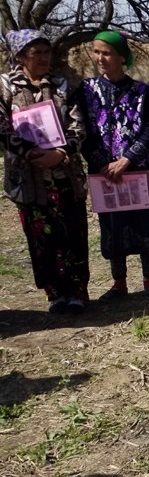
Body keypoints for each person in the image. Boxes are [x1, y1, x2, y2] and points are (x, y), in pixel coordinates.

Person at [1, 30, 89, 314]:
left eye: (46, 52)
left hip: (63, 172)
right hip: (28, 176)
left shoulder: (64, 85)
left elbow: (78, 125)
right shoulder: (4, 87)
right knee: (41, 236)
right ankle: (54, 293)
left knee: (72, 231)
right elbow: (1, 128)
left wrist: (61, 153)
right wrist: (30, 152)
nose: (42, 58)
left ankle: (76, 291)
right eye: (35, 52)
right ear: (20, 56)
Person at [80, 30, 149, 301]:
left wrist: (127, 159)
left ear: (121, 56)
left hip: (137, 170)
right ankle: (119, 283)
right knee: (113, 225)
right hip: (105, 173)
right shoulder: (85, 91)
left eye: (107, 53)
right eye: (97, 52)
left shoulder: (142, 92)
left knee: (144, 224)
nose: (100, 58)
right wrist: (102, 163)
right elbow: (81, 131)